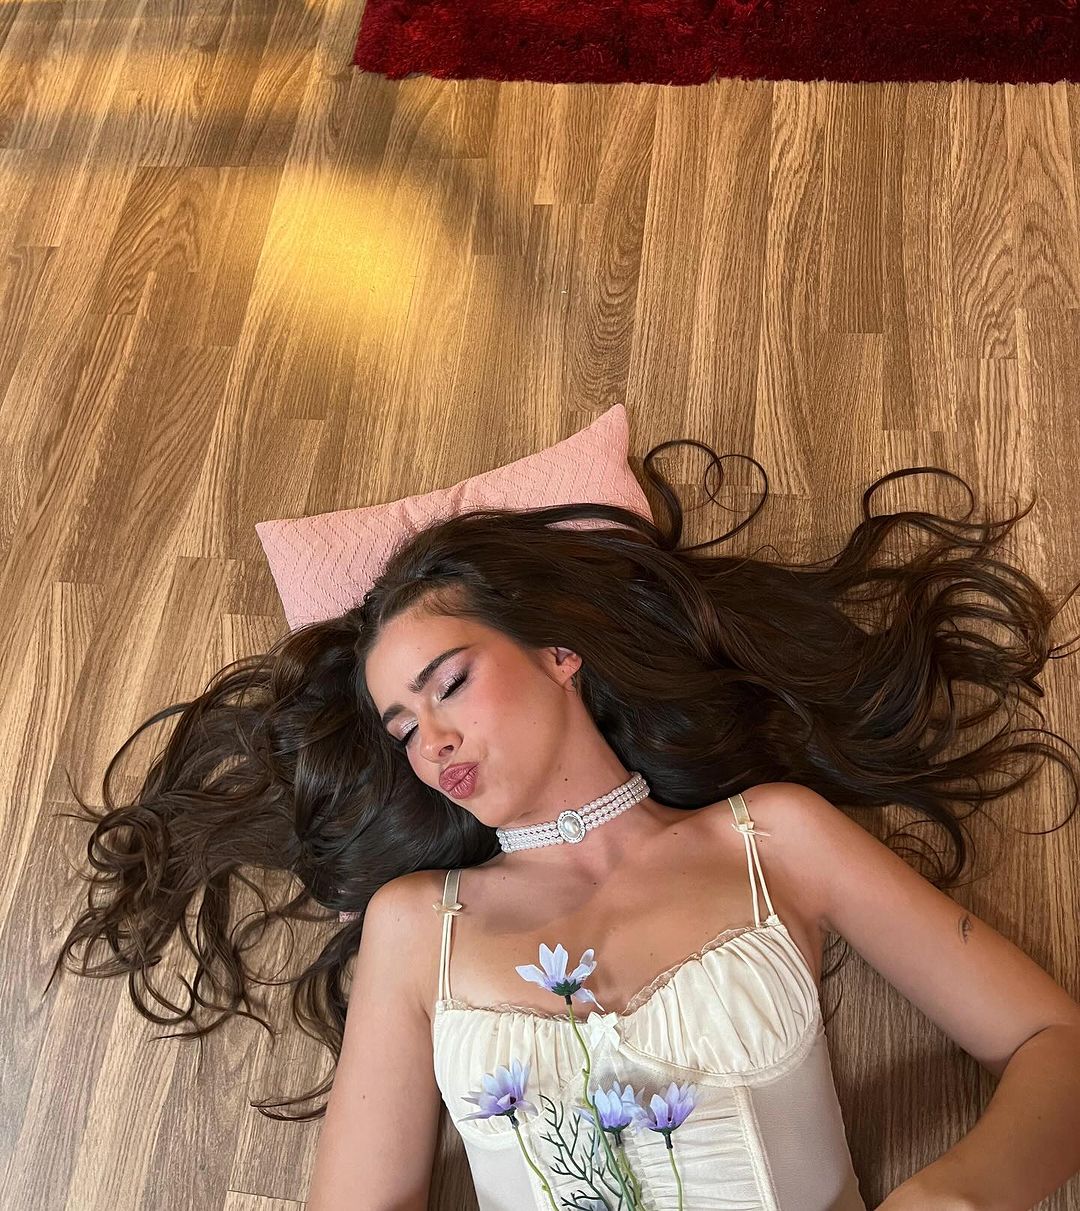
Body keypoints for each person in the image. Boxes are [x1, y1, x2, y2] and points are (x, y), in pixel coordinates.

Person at [44, 446, 1080, 1210]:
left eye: (450, 682)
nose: (431, 739)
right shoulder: (418, 925)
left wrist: (952, 1196)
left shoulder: (774, 839)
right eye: (401, 727)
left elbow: (1056, 1045)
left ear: (558, 654)